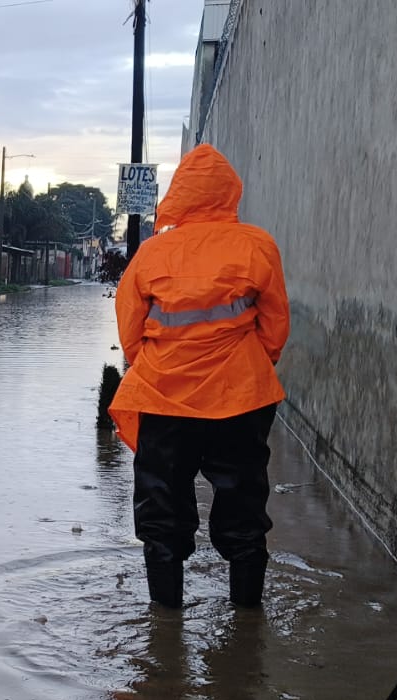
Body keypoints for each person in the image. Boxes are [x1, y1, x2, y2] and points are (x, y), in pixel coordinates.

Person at [106, 144, 291, 609]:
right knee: (244, 509)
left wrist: (157, 368)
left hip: (164, 399)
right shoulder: (257, 244)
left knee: (162, 513)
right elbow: (275, 327)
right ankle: (246, 626)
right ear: (230, 192)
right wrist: (248, 366)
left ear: (179, 194)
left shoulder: (152, 254)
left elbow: (130, 331)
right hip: (241, 399)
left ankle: (165, 632)